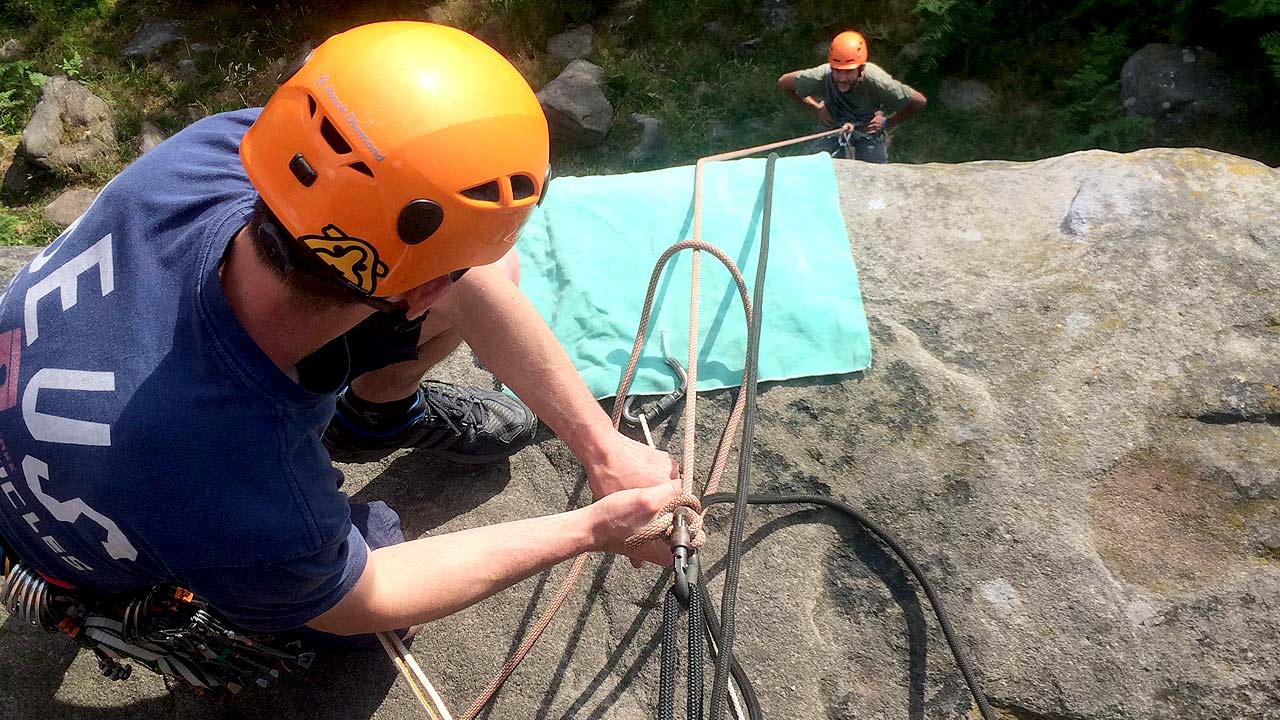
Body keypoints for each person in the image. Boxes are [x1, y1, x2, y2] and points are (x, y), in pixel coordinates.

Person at [0, 21, 681, 645]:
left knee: (489, 267)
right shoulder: (244, 481)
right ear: (422, 292)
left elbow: (448, 272)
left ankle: (375, 420)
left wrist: (600, 446)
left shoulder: (208, 157)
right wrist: (590, 529)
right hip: (118, 538)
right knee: (374, 584)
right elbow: (364, 597)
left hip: (89, 440)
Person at [777, 30, 927, 163]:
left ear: (861, 69)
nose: (842, 78)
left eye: (849, 72)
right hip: (833, 124)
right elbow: (784, 82)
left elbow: (919, 101)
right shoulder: (821, 75)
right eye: (837, 71)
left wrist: (887, 122)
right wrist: (816, 109)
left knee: (875, 173)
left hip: (867, 127)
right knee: (811, 165)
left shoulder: (878, 82)